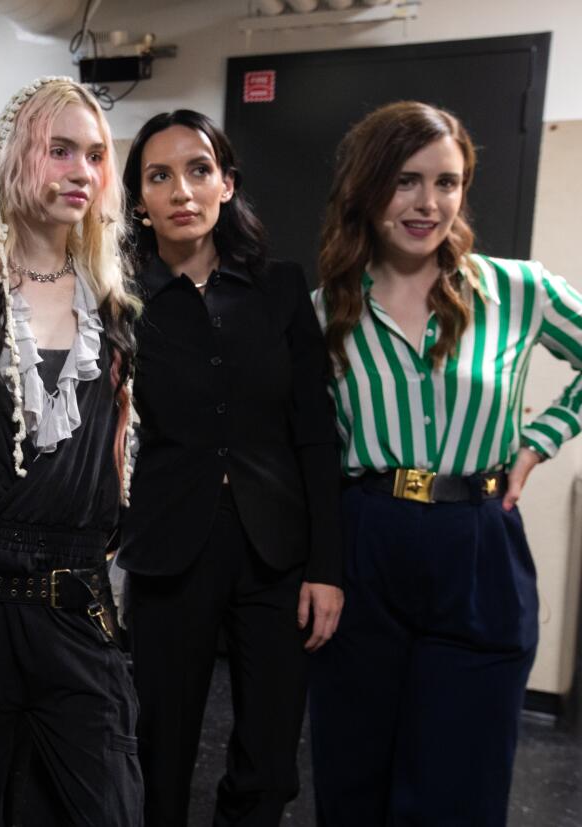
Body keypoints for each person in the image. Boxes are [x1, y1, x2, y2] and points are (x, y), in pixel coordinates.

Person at [308, 100, 582, 826]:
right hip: (363, 543)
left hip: (478, 546)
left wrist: (541, 438)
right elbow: (301, 450)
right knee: (355, 777)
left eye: (447, 182)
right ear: (366, 188)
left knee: (460, 787)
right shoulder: (323, 312)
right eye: (405, 180)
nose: (428, 202)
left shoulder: (518, 290)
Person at [0, 76, 143, 827]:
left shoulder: (111, 305)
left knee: (106, 806)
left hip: (75, 599)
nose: (80, 171)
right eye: (59, 151)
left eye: (93, 155)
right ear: (16, 158)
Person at [118, 109, 343, 825]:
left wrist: (326, 565)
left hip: (275, 548)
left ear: (227, 185)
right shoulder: (120, 299)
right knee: (160, 750)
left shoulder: (279, 289)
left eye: (199, 170)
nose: (182, 189)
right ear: (139, 201)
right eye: (160, 176)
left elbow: (314, 431)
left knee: (271, 757)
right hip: (168, 544)